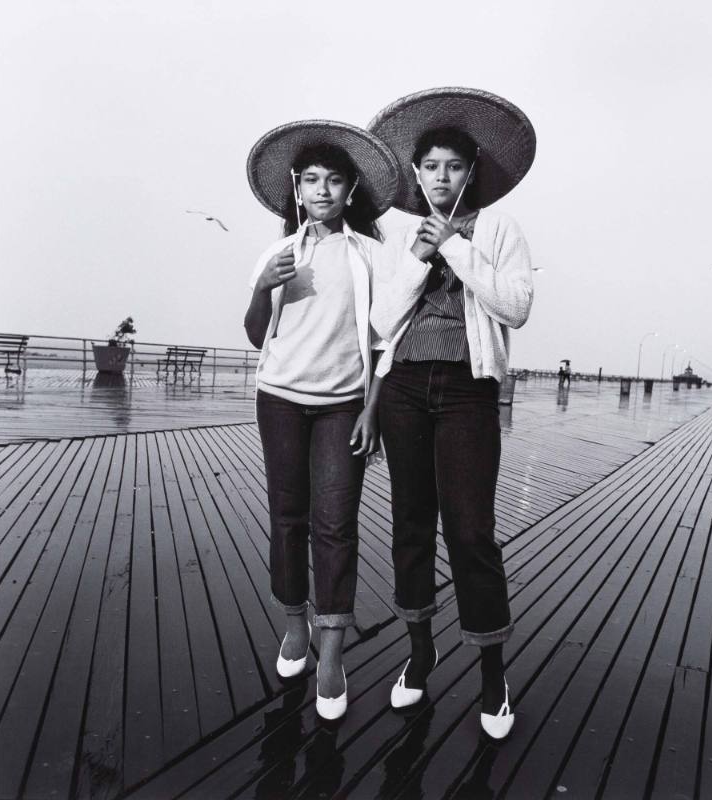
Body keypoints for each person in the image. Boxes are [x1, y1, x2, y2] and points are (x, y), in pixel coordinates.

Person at [368, 87, 536, 739]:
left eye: (454, 167)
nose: (441, 177)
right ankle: (419, 652)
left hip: (467, 388)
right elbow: (379, 322)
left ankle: (492, 674)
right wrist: (416, 257)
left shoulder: (498, 228)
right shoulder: (397, 234)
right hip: (403, 387)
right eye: (430, 166)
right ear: (416, 172)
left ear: (471, 173)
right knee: (410, 525)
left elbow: (515, 307)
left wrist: (457, 250)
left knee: (469, 532)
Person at [243, 120, 398, 720]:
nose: (323, 190)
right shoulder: (278, 255)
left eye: (335, 180)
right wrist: (262, 287)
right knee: (288, 518)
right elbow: (259, 336)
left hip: (342, 406)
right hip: (279, 398)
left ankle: (331, 652)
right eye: (312, 180)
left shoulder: (370, 257)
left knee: (335, 525)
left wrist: (372, 408)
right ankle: (294, 627)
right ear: (295, 188)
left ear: (351, 189)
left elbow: (388, 339)